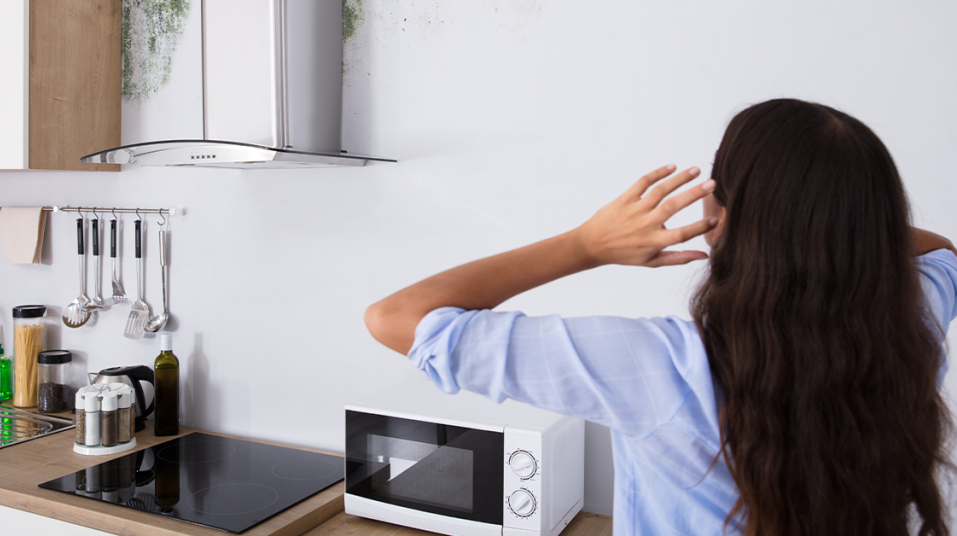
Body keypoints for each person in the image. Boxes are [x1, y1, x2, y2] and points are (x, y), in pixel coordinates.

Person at [364, 99, 956, 536]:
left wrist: (586, 244)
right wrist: (835, 222)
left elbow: (396, 317)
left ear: (722, 213)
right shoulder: (916, 334)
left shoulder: (656, 368)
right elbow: (940, 253)